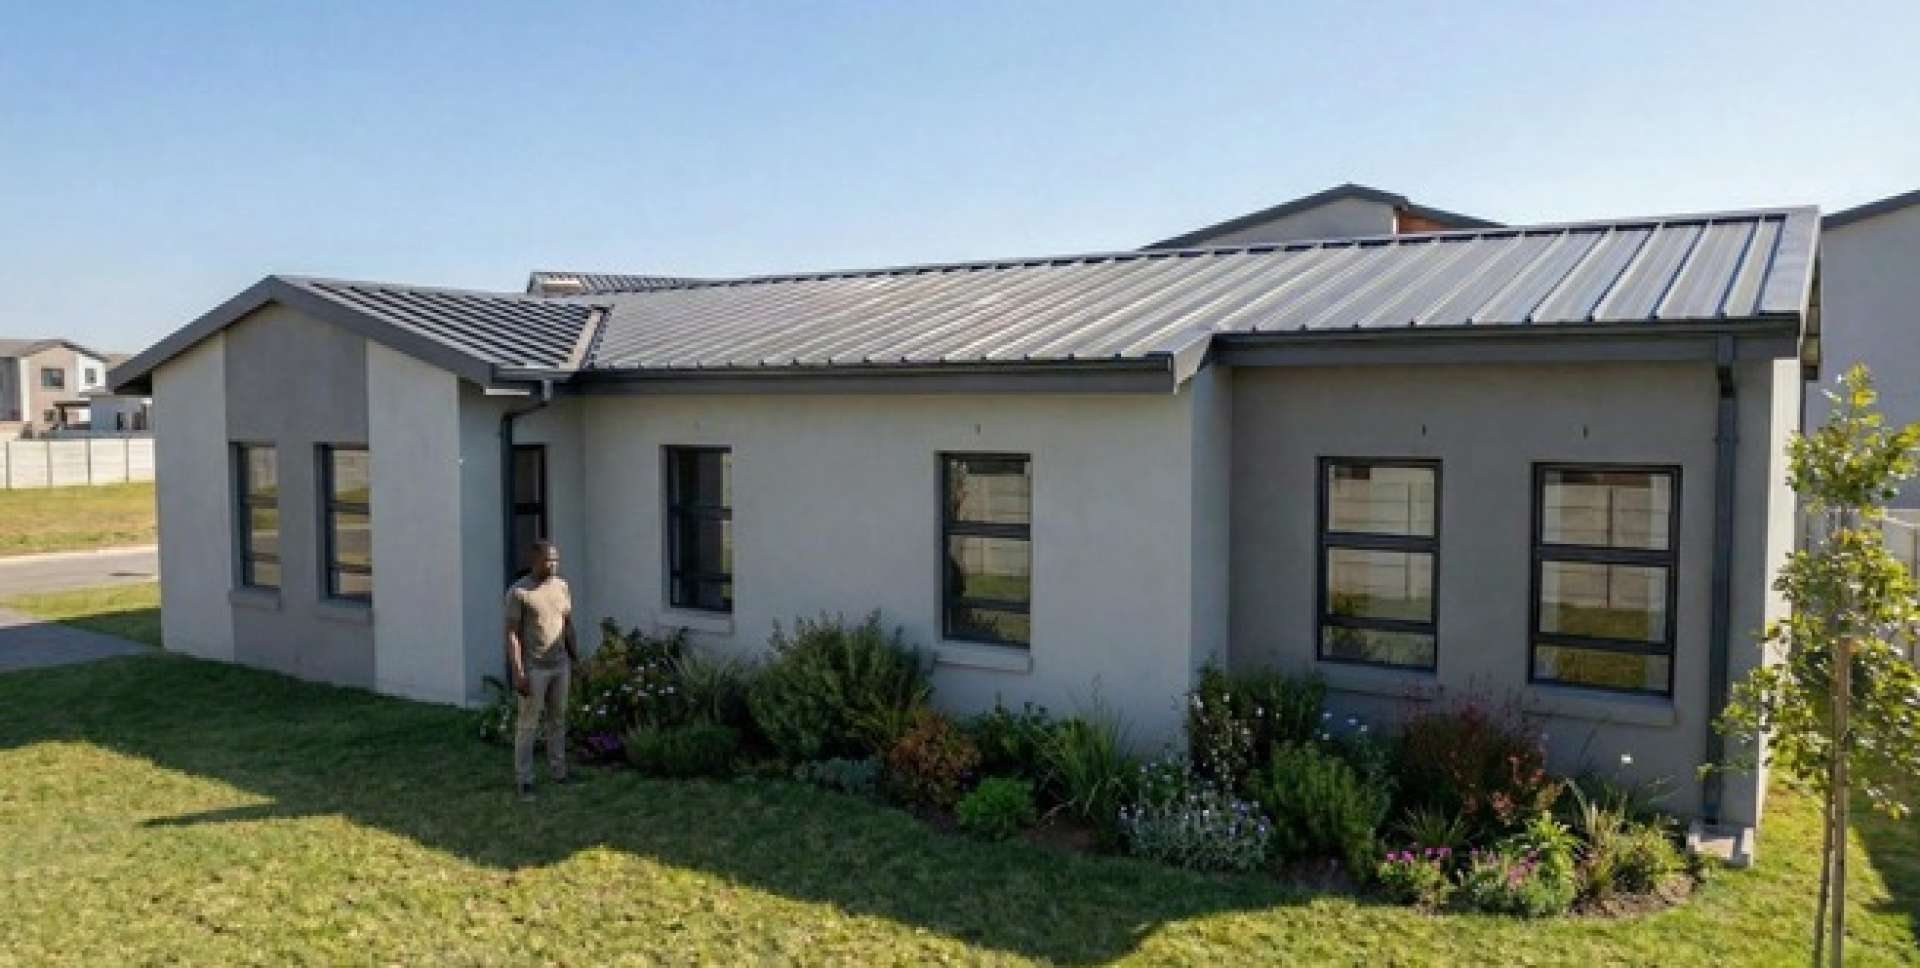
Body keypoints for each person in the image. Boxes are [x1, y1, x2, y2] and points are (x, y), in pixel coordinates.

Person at [504, 540, 578, 798]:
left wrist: (575, 658)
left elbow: (567, 624)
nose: (554, 564)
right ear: (535, 560)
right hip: (534, 668)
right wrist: (518, 672)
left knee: (557, 720)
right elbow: (512, 635)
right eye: (549, 559)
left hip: (560, 665)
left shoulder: (562, 587)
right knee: (528, 725)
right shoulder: (519, 592)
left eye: (556, 559)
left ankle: (559, 772)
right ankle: (524, 780)